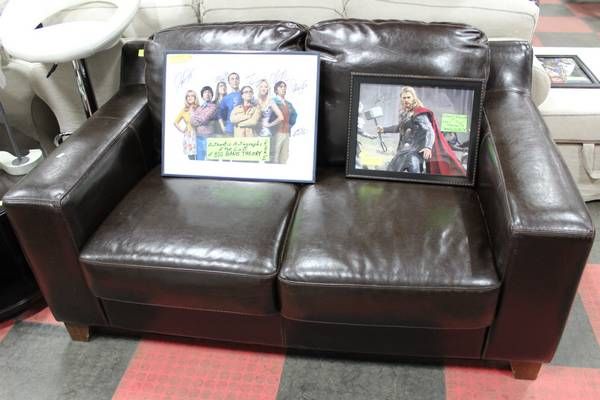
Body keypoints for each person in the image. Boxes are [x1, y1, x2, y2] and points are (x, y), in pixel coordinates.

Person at [377, 86, 465, 175]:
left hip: (414, 152)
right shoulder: (406, 112)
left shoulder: (419, 114)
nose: (406, 100)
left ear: (413, 98)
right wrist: (384, 129)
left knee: (407, 174)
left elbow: (429, 130)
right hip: (404, 151)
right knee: (392, 172)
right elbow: (400, 127)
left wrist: (428, 147)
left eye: (408, 97)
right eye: (404, 98)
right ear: (401, 99)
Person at [271, 81, 297, 164]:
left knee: (284, 157)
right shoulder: (272, 101)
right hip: (275, 133)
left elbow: (294, 114)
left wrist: (289, 125)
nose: (283, 88)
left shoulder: (288, 104)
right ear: (276, 90)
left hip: (286, 133)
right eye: (281, 86)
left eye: (285, 87)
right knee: (274, 157)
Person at [190, 86, 218, 160]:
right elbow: (192, 121)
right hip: (199, 137)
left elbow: (204, 119)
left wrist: (194, 115)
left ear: (212, 95)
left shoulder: (214, 107)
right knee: (199, 160)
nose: (207, 94)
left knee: (210, 160)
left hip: (209, 137)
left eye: (209, 92)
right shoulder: (199, 108)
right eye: (205, 92)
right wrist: (197, 117)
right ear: (202, 96)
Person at [173, 89, 198, 160]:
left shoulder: (199, 108)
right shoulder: (184, 110)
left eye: (192, 96)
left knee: (200, 156)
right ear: (186, 98)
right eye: (188, 96)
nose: (190, 98)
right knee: (191, 157)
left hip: (199, 134)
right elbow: (175, 122)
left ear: (195, 97)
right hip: (189, 136)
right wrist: (183, 130)